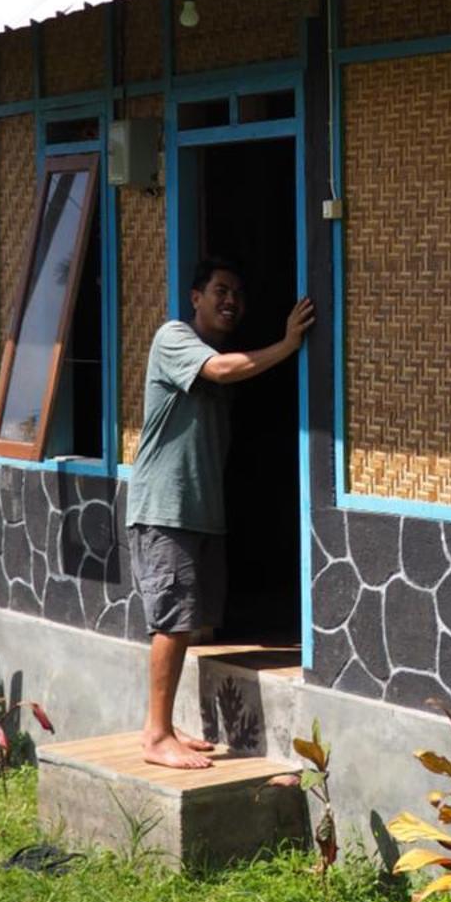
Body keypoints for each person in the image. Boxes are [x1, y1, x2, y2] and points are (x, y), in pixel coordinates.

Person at [127, 257, 315, 770]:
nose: (230, 300)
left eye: (237, 293)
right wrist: (288, 344)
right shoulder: (174, 338)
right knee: (171, 619)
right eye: (220, 290)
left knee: (186, 621)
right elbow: (221, 370)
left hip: (198, 509)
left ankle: (165, 726)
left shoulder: (216, 351)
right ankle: (155, 735)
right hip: (166, 508)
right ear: (195, 297)